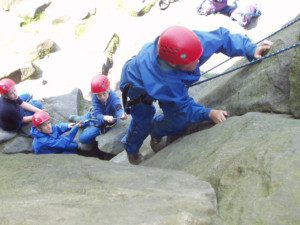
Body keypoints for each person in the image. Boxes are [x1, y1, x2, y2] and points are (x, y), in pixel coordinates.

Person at [120, 25, 272, 165]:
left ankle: (157, 130)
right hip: (136, 86)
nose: (198, 60)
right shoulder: (165, 82)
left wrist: (250, 48)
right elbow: (183, 109)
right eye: (194, 59)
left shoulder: (187, 47)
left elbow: (222, 39)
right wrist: (208, 113)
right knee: (143, 120)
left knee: (175, 120)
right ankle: (131, 149)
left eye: (198, 55)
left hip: (166, 76)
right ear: (174, 64)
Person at [69, 74, 127, 145]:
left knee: (82, 139)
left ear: (108, 90)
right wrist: (104, 117)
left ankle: (92, 136)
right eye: (99, 95)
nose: (102, 97)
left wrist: (121, 114)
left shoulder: (114, 98)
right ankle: (80, 120)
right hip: (93, 116)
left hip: (104, 124)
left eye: (104, 94)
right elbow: (96, 112)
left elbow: (118, 107)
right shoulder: (95, 96)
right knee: (81, 122)